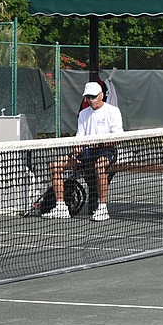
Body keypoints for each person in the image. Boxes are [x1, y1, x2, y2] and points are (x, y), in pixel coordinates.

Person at [43, 81, 124, 221]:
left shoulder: (112, 111)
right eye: (88, 97)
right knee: (55, 165)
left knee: (100, 166)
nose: (91, 100)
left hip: (106, 151)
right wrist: (77, 149)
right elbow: (79, 137)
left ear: (101, 95)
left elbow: (118, 137)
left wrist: (98, 143)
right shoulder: (83, 114)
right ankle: (61, 207)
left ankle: (102, 208)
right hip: (86, 153)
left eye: (93, 97)